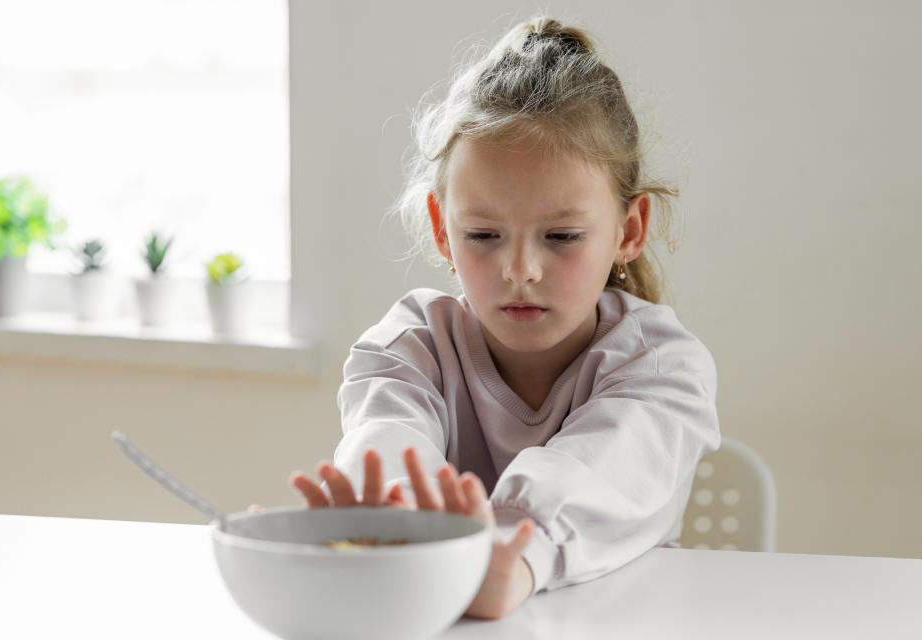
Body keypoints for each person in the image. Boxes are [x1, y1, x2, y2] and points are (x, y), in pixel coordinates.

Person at [286, 16, 721, 620]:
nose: (520, 269)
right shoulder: (410, 345)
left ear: (630, 230)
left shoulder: (664, 367)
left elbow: (596, 471)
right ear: (443, 228)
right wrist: (383, 512)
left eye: (563, 236)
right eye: (483, 234)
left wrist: (511, 554)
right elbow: (388, 436)